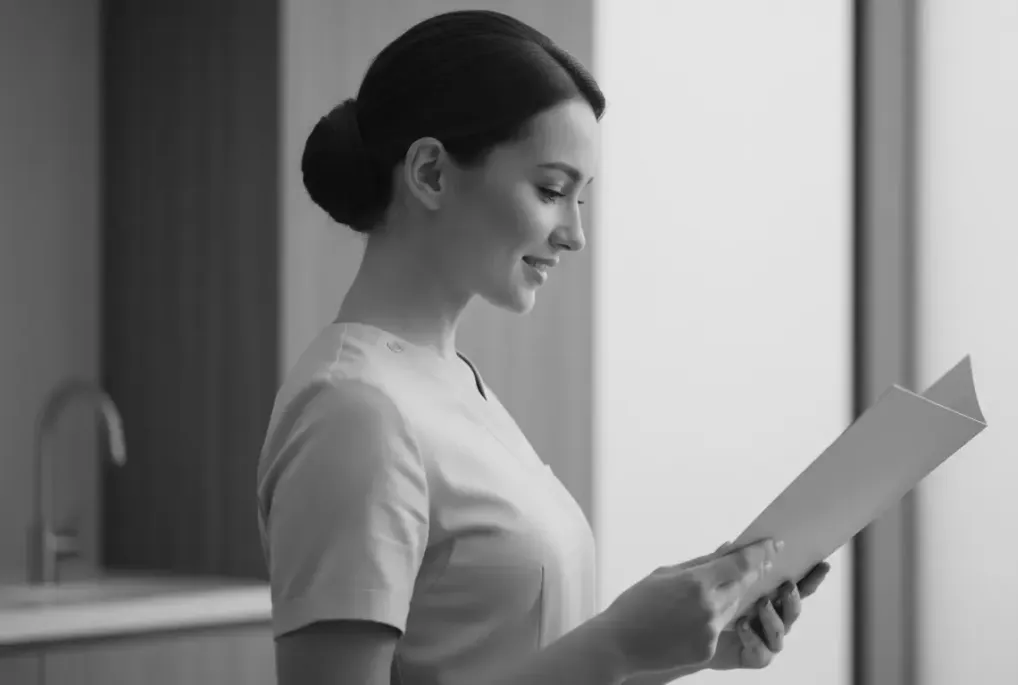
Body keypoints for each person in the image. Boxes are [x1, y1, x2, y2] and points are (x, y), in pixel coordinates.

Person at [256, 9, 831, 685]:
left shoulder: (449, 386)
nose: (574, 234)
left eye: (582, 199)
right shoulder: (354, 412)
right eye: (553, 190)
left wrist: (679, 644)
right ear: (432, 173)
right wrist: (615, 643)